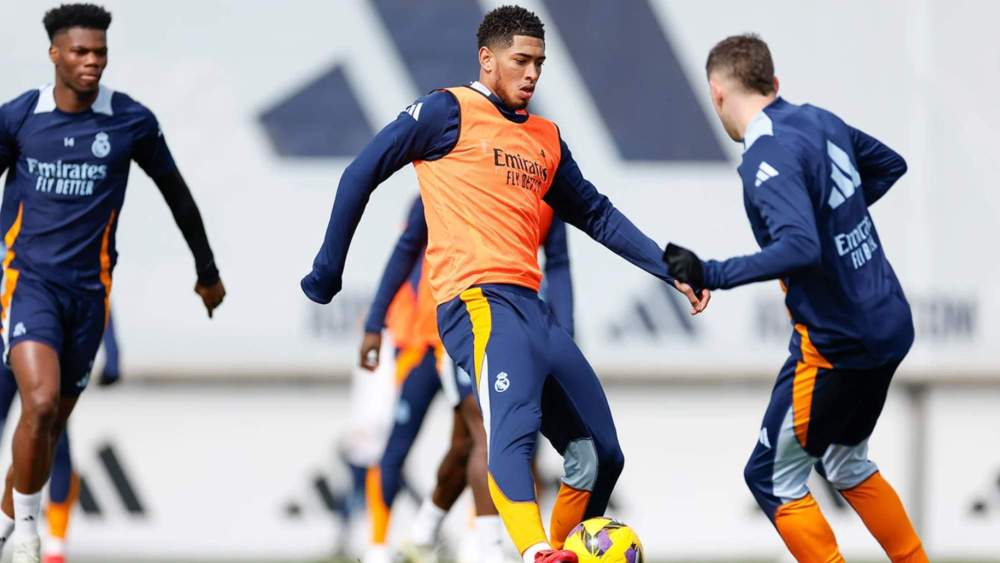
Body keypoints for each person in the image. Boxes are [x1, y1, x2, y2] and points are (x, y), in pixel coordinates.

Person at [301, 6, 708, 562]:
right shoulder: (446, 112)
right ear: (486, 60)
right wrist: (328, 271)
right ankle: (532, 551)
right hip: (475, 302)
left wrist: (668, 265)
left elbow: (597, 214)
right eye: (521, 60)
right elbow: (360, 173)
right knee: (504, 436)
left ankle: (561, 549)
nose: (533, 73)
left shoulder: (545, 137)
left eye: (540, 62)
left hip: (532, 310)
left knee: (600, 455)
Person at [665, 33, 926, 562]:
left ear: (717, 93)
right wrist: (836, 223)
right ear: (774, 83)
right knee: (847, 462)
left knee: (770, 476)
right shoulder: (817, 120)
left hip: (837, 344)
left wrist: (711, 272)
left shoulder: (767, 154)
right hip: (889, 324)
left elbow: (801, 248)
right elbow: (888, 165)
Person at [0, 5, 225, 561]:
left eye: (99, 52)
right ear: (54, 53)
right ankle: (28, 534)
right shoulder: (19, 118)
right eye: (80, 51)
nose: (92, 62)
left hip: (91, 296)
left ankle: (8, 521)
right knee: (42, 401)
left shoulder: (129, 122)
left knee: (48, 427)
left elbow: (178, 196)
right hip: (28, 285)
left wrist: (207, 272)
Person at [360, 195, 573, 563]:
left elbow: (558, 264)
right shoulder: (450, 177)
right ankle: (464, 547)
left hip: (509, 335)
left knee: (466, 443)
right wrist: (376, 321)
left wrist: (564, 335)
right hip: (442, 335)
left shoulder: (545, 191)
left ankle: (426, 530)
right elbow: (406, 251)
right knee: (475, 434)